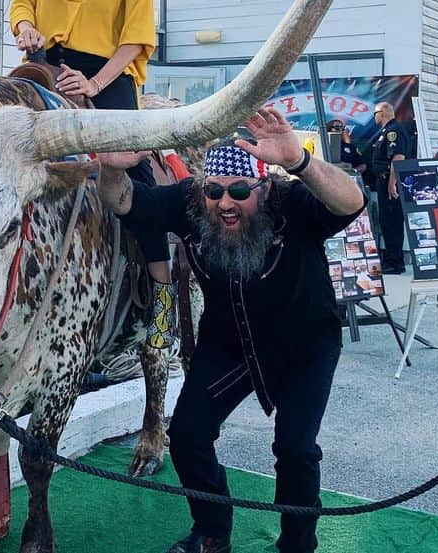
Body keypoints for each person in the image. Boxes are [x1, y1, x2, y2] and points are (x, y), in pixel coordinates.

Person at [99, 108, 366, 553]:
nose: (225, 203)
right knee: (186, 435)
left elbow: (350, 201)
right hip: (229, 343)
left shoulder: (291, 202)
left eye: (240, 191)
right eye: (215, 192)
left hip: (305, 343)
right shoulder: (189, 203)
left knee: (296, 449)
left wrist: (299, 161)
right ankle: (211, 531)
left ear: (262, 189)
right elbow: (123, 200)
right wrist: (110, 169)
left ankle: (297, 545)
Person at [9, 0, 169, 284]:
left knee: (136, 174)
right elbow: (22, 0)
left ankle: (160, 301)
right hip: (43, 67)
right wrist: (25, 29)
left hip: (106, 75)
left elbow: (136, 38)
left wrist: (94, 85)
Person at [370, 102, 410, 274]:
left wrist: (392, 183)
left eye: (375, 113)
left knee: (392, 222)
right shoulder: (386, 131)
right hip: (384, 181)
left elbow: (398, 158)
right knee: (387, 222)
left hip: (389, 182)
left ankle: (394, 263)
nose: (374, 117)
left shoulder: (393, 131)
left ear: (383, 113)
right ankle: (391, 260)